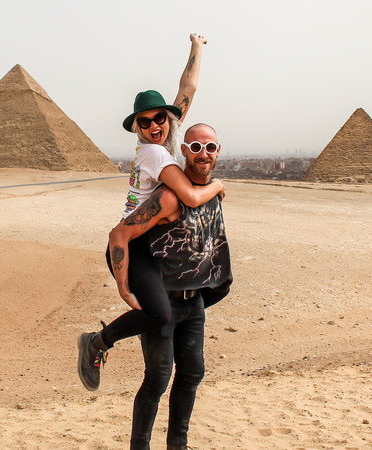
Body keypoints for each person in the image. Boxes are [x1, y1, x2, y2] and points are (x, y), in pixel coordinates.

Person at [78, 34, 225, 391]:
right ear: (136, 129)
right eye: (144, 123)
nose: (154, 126)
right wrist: (218, 186)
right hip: (134, 245)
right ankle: (95, 343)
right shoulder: (154, 153)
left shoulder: (168, 138)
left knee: (198, 295)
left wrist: (197, 47)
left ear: (170, 119)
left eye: (161, 117)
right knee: (157, 313)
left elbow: (187, 86)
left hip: (157, 245)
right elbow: (190, 196)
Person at [110, 123, 232, 449]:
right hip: (163, 301)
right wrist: (126, 287)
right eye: (195, 147)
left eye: (210, 147)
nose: (203, 153)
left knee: (192, 374)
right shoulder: (167, 196)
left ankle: (177, 445)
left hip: (194, 303)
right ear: (183, 151)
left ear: (218, 151)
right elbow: (120, 234)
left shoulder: (213, 195)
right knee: (158, 378)